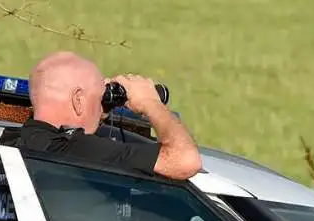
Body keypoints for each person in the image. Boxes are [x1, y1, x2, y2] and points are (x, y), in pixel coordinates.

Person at [18, 51, 203, 180]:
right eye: (101, 97)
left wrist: (101, 108)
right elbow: (185, 161)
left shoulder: (13, 140)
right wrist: (150, 103)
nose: (102, 107)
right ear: (78, 100)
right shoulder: (77, 150)